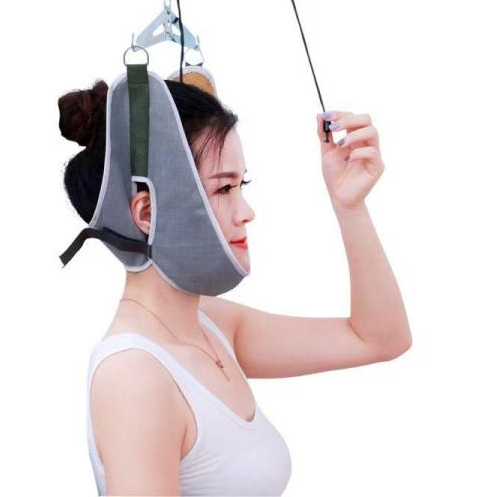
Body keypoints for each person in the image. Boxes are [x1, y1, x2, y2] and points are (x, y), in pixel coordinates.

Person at [58, 73, 412, 495]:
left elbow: (379, 338)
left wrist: (349, 205)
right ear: (147, 213)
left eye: (240, 184)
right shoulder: (135, 376)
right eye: (224, 188)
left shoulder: (209, 326)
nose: (246, 212)